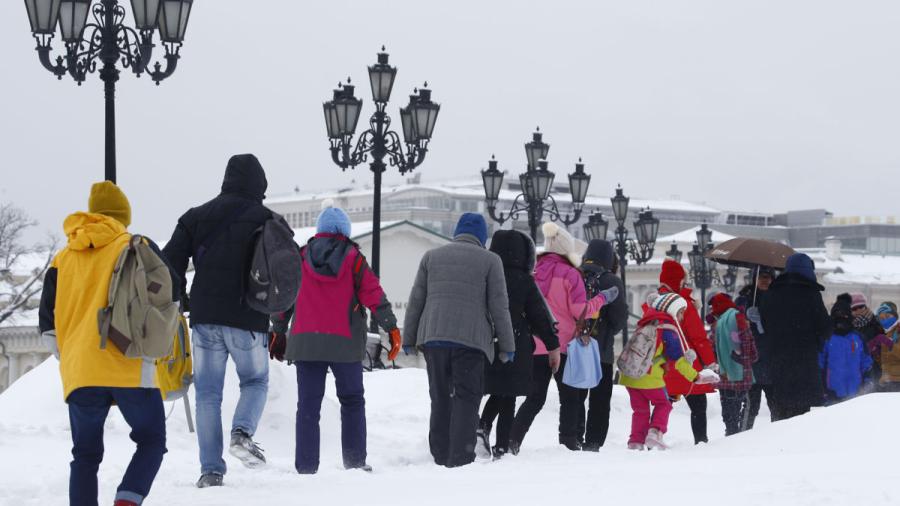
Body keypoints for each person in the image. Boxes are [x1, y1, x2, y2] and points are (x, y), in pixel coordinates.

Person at [38, 182, 177, 506]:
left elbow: (47, 324)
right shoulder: (135, 246)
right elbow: (171, 292)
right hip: (128, 364)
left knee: (84, 456)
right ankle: (127, 500)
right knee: (152, 440)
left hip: (80, 371)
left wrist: (72, 355)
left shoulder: (62, 259)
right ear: (123, 216)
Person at [162, 154, 275, 488]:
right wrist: (279, 313)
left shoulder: (195, 217)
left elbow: (169, 262)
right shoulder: (267, 218)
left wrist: (182, 298)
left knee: (208, 394)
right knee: (255, 381)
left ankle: (211, 470)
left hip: (205, 317)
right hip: (249, 316)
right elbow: (285, 270)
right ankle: (242, 433)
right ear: (259, 184)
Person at [270, 202, 401, 474]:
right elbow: (373, 294)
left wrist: (278, 331)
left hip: (306, 342)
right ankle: (354, 463)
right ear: (345, 231)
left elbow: (284, 299)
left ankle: (306, 467)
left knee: (308, 406)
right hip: (345, 342)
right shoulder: (354, 259)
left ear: (319, 231)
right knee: (352, 400)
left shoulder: (301, 257)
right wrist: (391, 327)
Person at [403, 213, 516, 468]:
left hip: (435, 339)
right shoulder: (490, 260)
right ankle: (461, 457)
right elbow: (499, 306)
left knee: (440, 397)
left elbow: (416, 301)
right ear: (481, 237)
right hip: (471, 342)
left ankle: (440, 453)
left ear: (457, 232)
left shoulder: (431, 257)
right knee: (467, 397)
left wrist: (409, 338)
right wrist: (507, 346)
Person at [508, 222, 617, 452]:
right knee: (570, 397)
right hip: (564, 345)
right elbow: (581, 311)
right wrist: (603, 299)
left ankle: (513, 439)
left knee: (535, 398)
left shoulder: (534, 273)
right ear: (568, 250)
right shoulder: (570, 275)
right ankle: (568, 442)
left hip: (536, 345)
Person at [478, 230, 560, 460]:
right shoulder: (524, 280)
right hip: (515, 342)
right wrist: (553, 346)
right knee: (508, 395)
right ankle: (502, 446)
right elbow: (539, 316)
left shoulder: (487, 275)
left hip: (487, 340)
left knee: (497, 389)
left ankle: (482, 426)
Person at [620, 293, 717, 450]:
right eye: (680, 312)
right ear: (672, 310)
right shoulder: (668, 330)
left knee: (640, 410)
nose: (681, 316)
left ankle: (635, 442)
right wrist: (696, 377)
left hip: (630, 376)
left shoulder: (647, 322)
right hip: (649, 376)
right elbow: (680, 361)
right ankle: (655, 432)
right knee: (663, 403)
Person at [759, 253, 831, 421]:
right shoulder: (811, 295)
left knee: (779, 415)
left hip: (777, 364)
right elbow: (825, 328)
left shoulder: (771, 294)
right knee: (800, 418)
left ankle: (776, 444)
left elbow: (764, 326)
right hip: (804, 365)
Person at [658, 259, 717, 444]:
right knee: (698, 406)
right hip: (686, 364)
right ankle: (701, 442)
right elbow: (698, 337)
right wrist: (710, 362)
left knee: (662, 405)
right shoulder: (683, 303)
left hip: (663, 365)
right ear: (677, 281)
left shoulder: (655, 303)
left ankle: (651, 438)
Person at [579, 239, 628, 451]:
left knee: (575, 396)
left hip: (575, 347)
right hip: (601, 351)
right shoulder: (611, 281)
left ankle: (572, 437)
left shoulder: (575, 276)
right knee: (599, 399)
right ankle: (594, 441)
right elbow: (619, 319)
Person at [709, 293, 758, 436]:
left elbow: (713, 348)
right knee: (746, 407)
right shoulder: (736, 316)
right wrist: (751, 357)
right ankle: (738, 441)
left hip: (724, 375)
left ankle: (730, 436)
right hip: (740, 372)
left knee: (729, 414)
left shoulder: (717, 324)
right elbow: (747, 342)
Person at [738, 266, 776, 428]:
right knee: (751, 407)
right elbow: (734, 326)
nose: (764, 280)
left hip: (772, 362)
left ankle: (779, 438)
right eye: (761, 277)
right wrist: (744, 320)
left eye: (768, 277)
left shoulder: (778, 299)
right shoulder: (746, 299)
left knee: (776, 406)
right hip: (751, 362)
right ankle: (743, 437)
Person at [819, 299, 873, 403]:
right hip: (832, 396)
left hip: (857, 395)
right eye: (837, 315)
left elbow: (867, 363)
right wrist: (822, 390)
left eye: (844, 315)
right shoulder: (826, 338)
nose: (841, 318)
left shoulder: (858, 338)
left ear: (849, 316)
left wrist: (868, 383)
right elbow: (819, 365)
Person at [847, 292, 888, 388]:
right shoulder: (847, 326)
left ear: (865, 306)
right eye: (854, 308)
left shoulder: (876, 323)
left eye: (861, 307)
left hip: (875, 365)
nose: (858, 310)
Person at [874, 302, 900, 392]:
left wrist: (889, 343)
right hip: (889, 380)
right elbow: (887, 361)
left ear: (895, 315)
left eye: (887, 316)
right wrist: (876, 354)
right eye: (881, 318)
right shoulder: (888, 334)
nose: (885, 320)